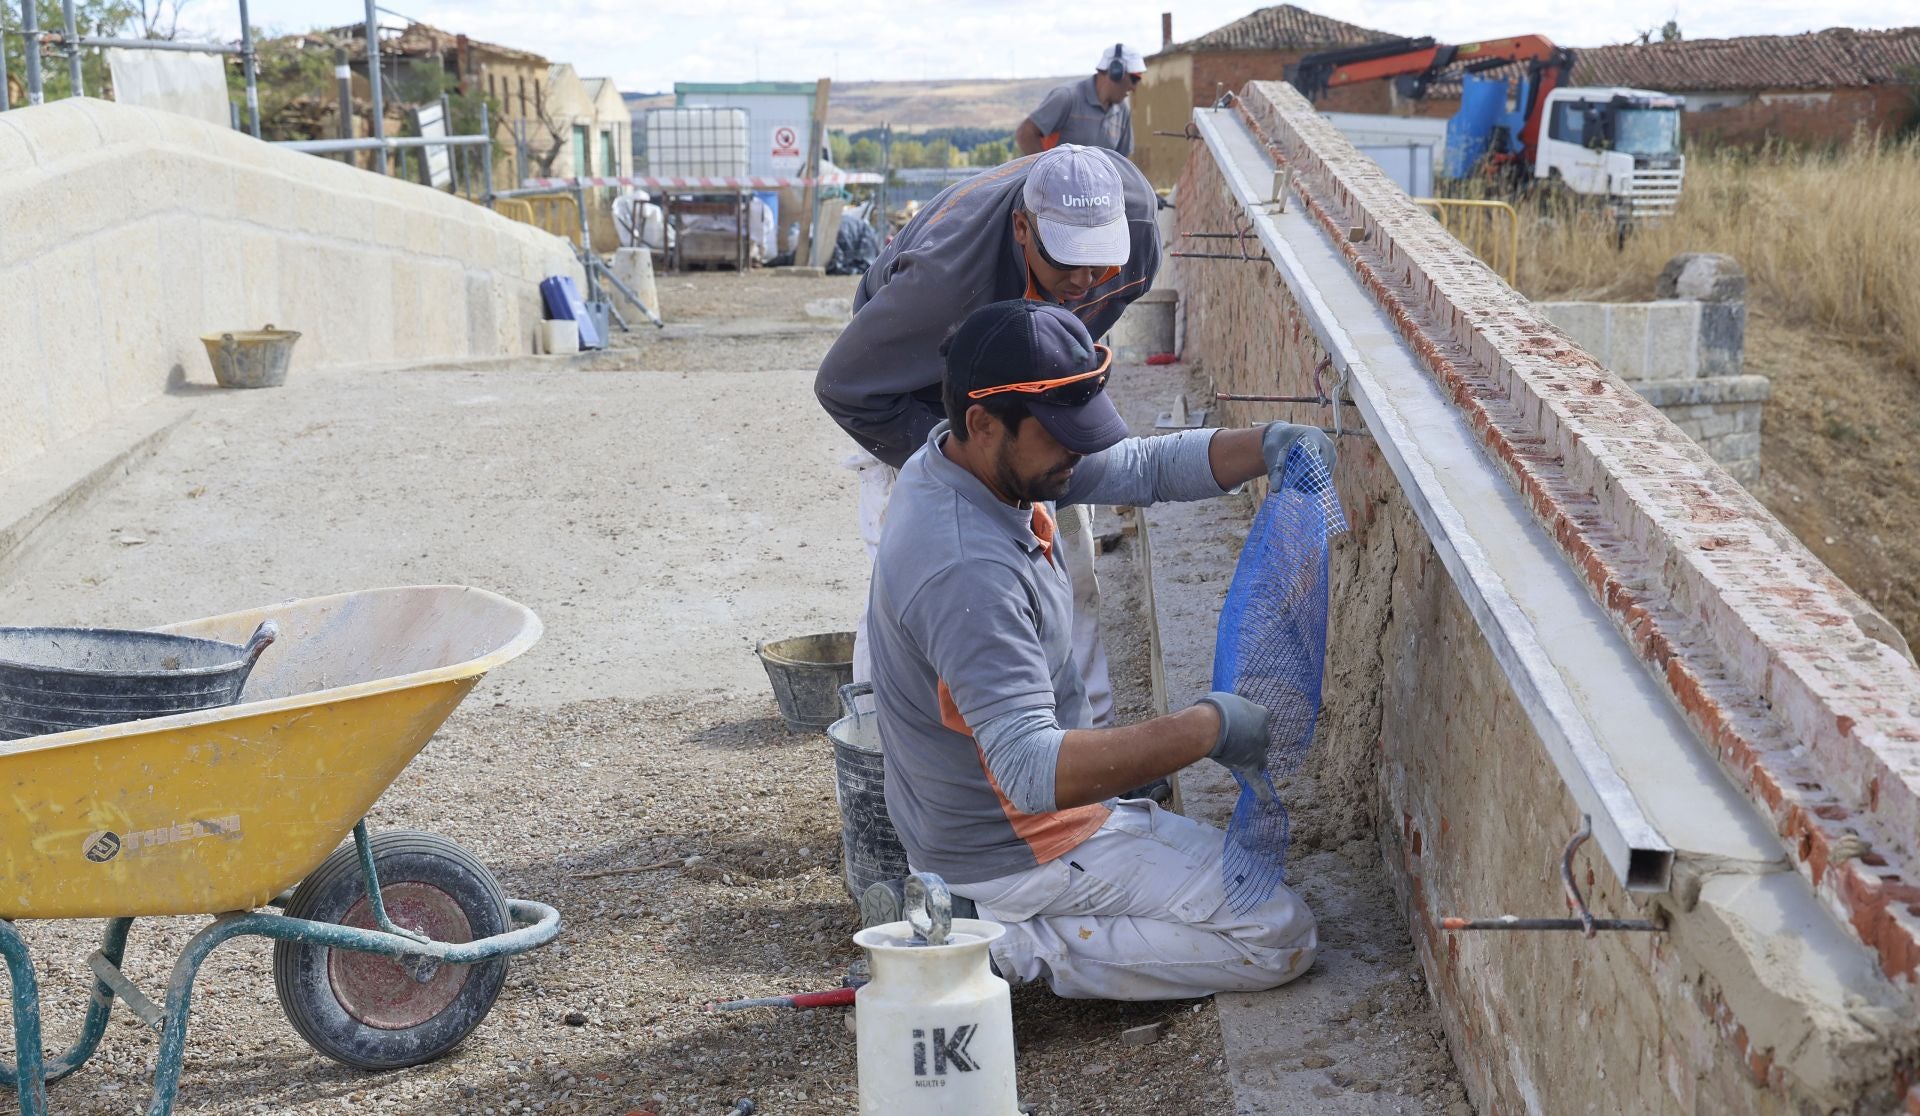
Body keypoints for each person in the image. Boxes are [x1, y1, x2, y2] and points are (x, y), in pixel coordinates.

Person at [861, 298, 1333, 999]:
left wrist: (1267, 446)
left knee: (1249, 885)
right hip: (1013, 847)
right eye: (1060, 436)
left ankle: (1010, 918)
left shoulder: (979, 463)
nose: (1076, 454)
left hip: (1011, 820)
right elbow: (1031, 771)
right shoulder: (966, 566)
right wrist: (1206, 727)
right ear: (984, 422)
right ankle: (1006, 946)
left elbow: (1140, 467)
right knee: (1278, 935)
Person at [814, 144, 1159, 735]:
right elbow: (845, 386)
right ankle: (882, 755)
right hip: (920, 392)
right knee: (919, 581)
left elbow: (1087, 317)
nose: (1083, 282)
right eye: (1067, 264)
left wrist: (1052, 420)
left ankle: (1088, 745)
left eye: (1098, 264)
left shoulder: (1136, 234)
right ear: (1023, 229)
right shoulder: (944, 284)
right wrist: (959, 462)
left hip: (1025, 390)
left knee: (1066, 562)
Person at [1015, 43, 1144, 157]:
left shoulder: (1122, 111)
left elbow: (1121, 160)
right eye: (1134, 79)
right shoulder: (1066, 97)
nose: (1134, 88)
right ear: (1116, 71)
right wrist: (1046, 172)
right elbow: (1025, 133)